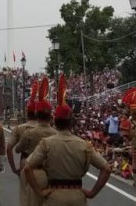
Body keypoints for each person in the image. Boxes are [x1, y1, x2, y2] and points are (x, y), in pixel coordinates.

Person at [23, 74, 110, 205]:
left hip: (55, 195)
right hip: (77, 195)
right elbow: (107, 169)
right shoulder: (84, 145)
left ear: (55, 121)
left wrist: (39, 193)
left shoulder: (47, 143)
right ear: (71, 122)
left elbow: (27, 168)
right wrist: (92, 193)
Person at [15, 78, 57, 206]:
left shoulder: (29, 132)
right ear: (50, 116)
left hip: (33, 170)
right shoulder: (56, 134)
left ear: (37, 115)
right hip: (53, 174)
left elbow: (18, 149)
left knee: (29, 201)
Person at [7, 80, 38, 206]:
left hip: (25, 161)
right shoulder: (49, 129)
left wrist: (14, 168)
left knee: (25, 197)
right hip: (44, 165)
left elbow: (9, 148)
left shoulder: (20, 128)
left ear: (26, 113)